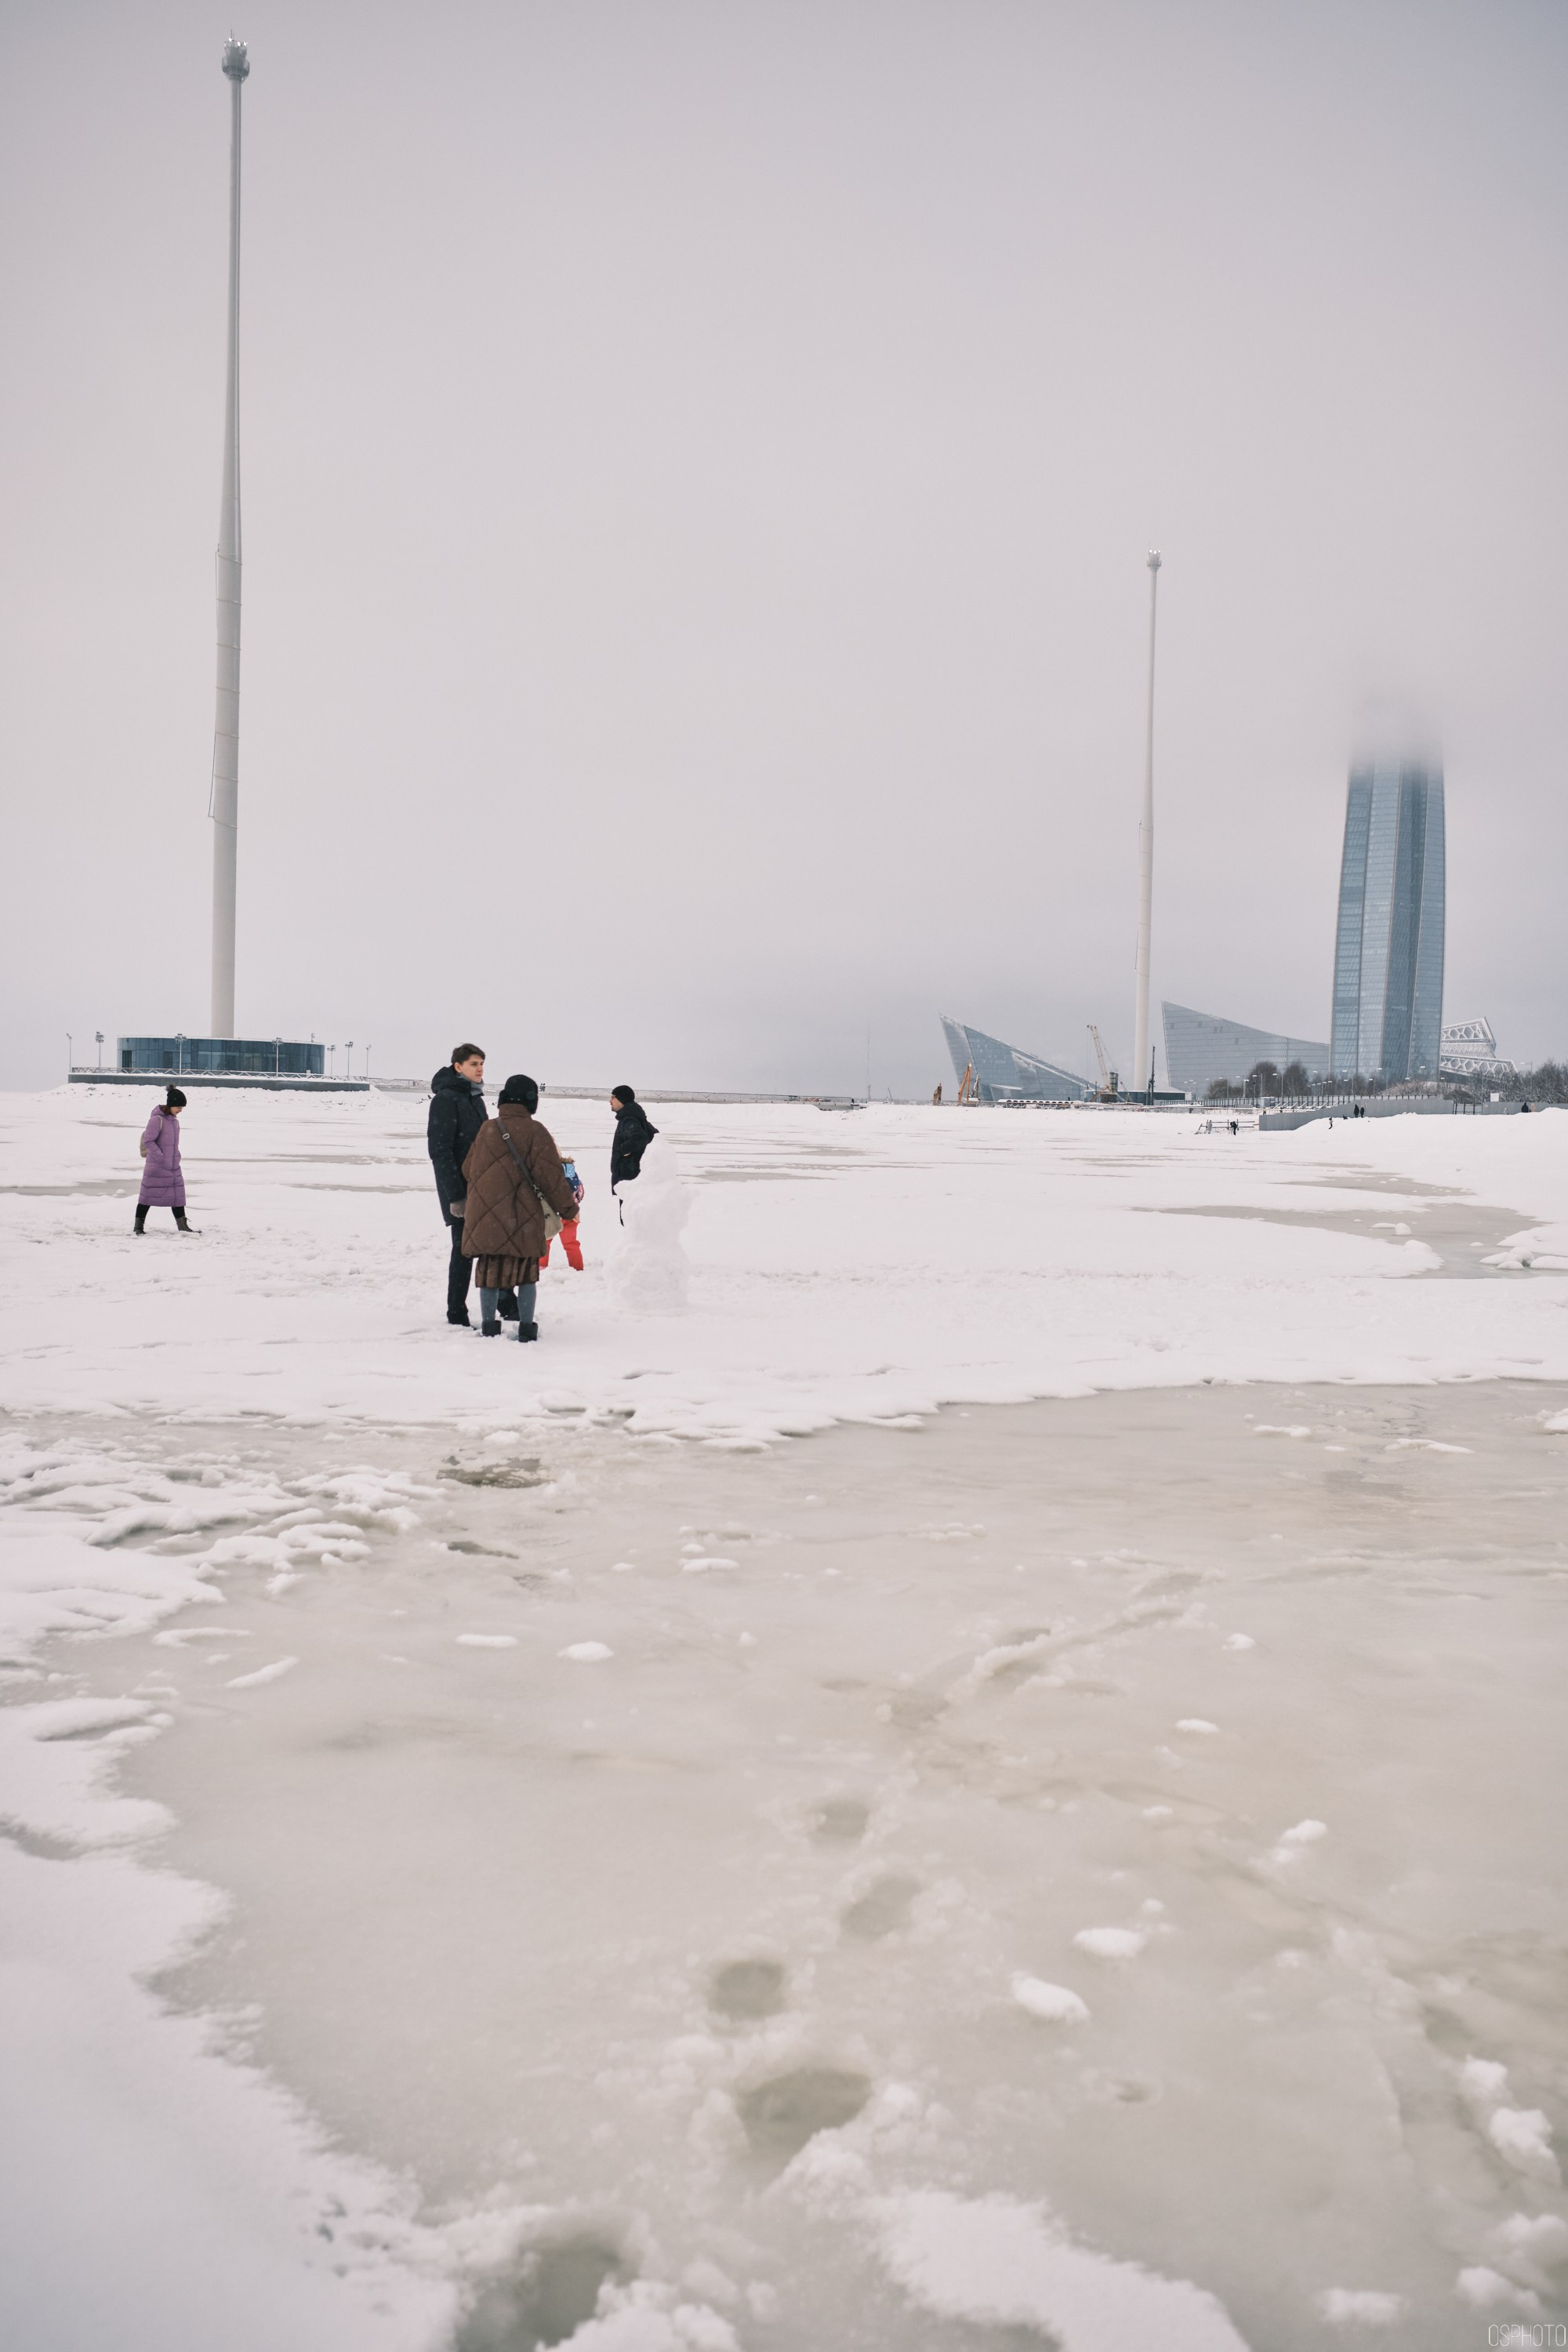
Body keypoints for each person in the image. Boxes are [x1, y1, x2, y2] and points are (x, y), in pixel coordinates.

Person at [459, 1075, 580, 1341]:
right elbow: (551, 1178)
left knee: (490, 1272)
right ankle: (526, 1328)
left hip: (487, 1217)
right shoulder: (536, 1131)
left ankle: (489, 1326)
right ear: (531, 1101)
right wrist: (569, 1210)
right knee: (526, 1273)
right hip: (523, 1218)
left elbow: (468, 1169)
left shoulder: (487, 1129)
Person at [427, 1044, 515, 1328]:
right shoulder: (446, 1099)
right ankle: (457, 1311)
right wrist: (456, 1196)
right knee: (463, 1251)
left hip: (484, 1186)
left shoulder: (474, 1098)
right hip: (461, 1190)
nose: (480, 1069)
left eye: (482, 1064)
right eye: (474, 1064)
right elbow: (440, 1151)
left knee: (494, 1245)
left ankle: (506, 1303)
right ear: (458, 1067)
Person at [135, 1087, 193, 1232]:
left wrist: (176, 1156)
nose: (180, 1110)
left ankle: (183, 1227)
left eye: (182, 1108)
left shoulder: (175, 1122)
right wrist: (161, 1158)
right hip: (157, 1166)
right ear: (171, 1105)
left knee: (177, 1195)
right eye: (179, 1107)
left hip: (173, 1166)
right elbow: (149, 1141)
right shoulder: (157, 1120)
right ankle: (138, 1227)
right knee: (147, 1196)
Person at [609, 1086, 658, 1200]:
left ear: (621, 1099)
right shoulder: (636, 1116)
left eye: (613, 1097)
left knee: (628, 1211)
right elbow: (654, 1135)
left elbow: (640, 1138)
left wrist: (622, 1150)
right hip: (633, 1179)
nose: (610, 1101)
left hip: (629, 1180)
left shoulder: (628, 1119)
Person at [539, 1156, 586, 1272]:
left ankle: (541, 1266)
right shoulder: (570, 1170)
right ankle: (577, 1267)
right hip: (571, 1213)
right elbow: (579, 1190)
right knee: (571, 1243)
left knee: (545, 1240)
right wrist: (575, 1205)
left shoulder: (547, 1169)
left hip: (552, 1213)